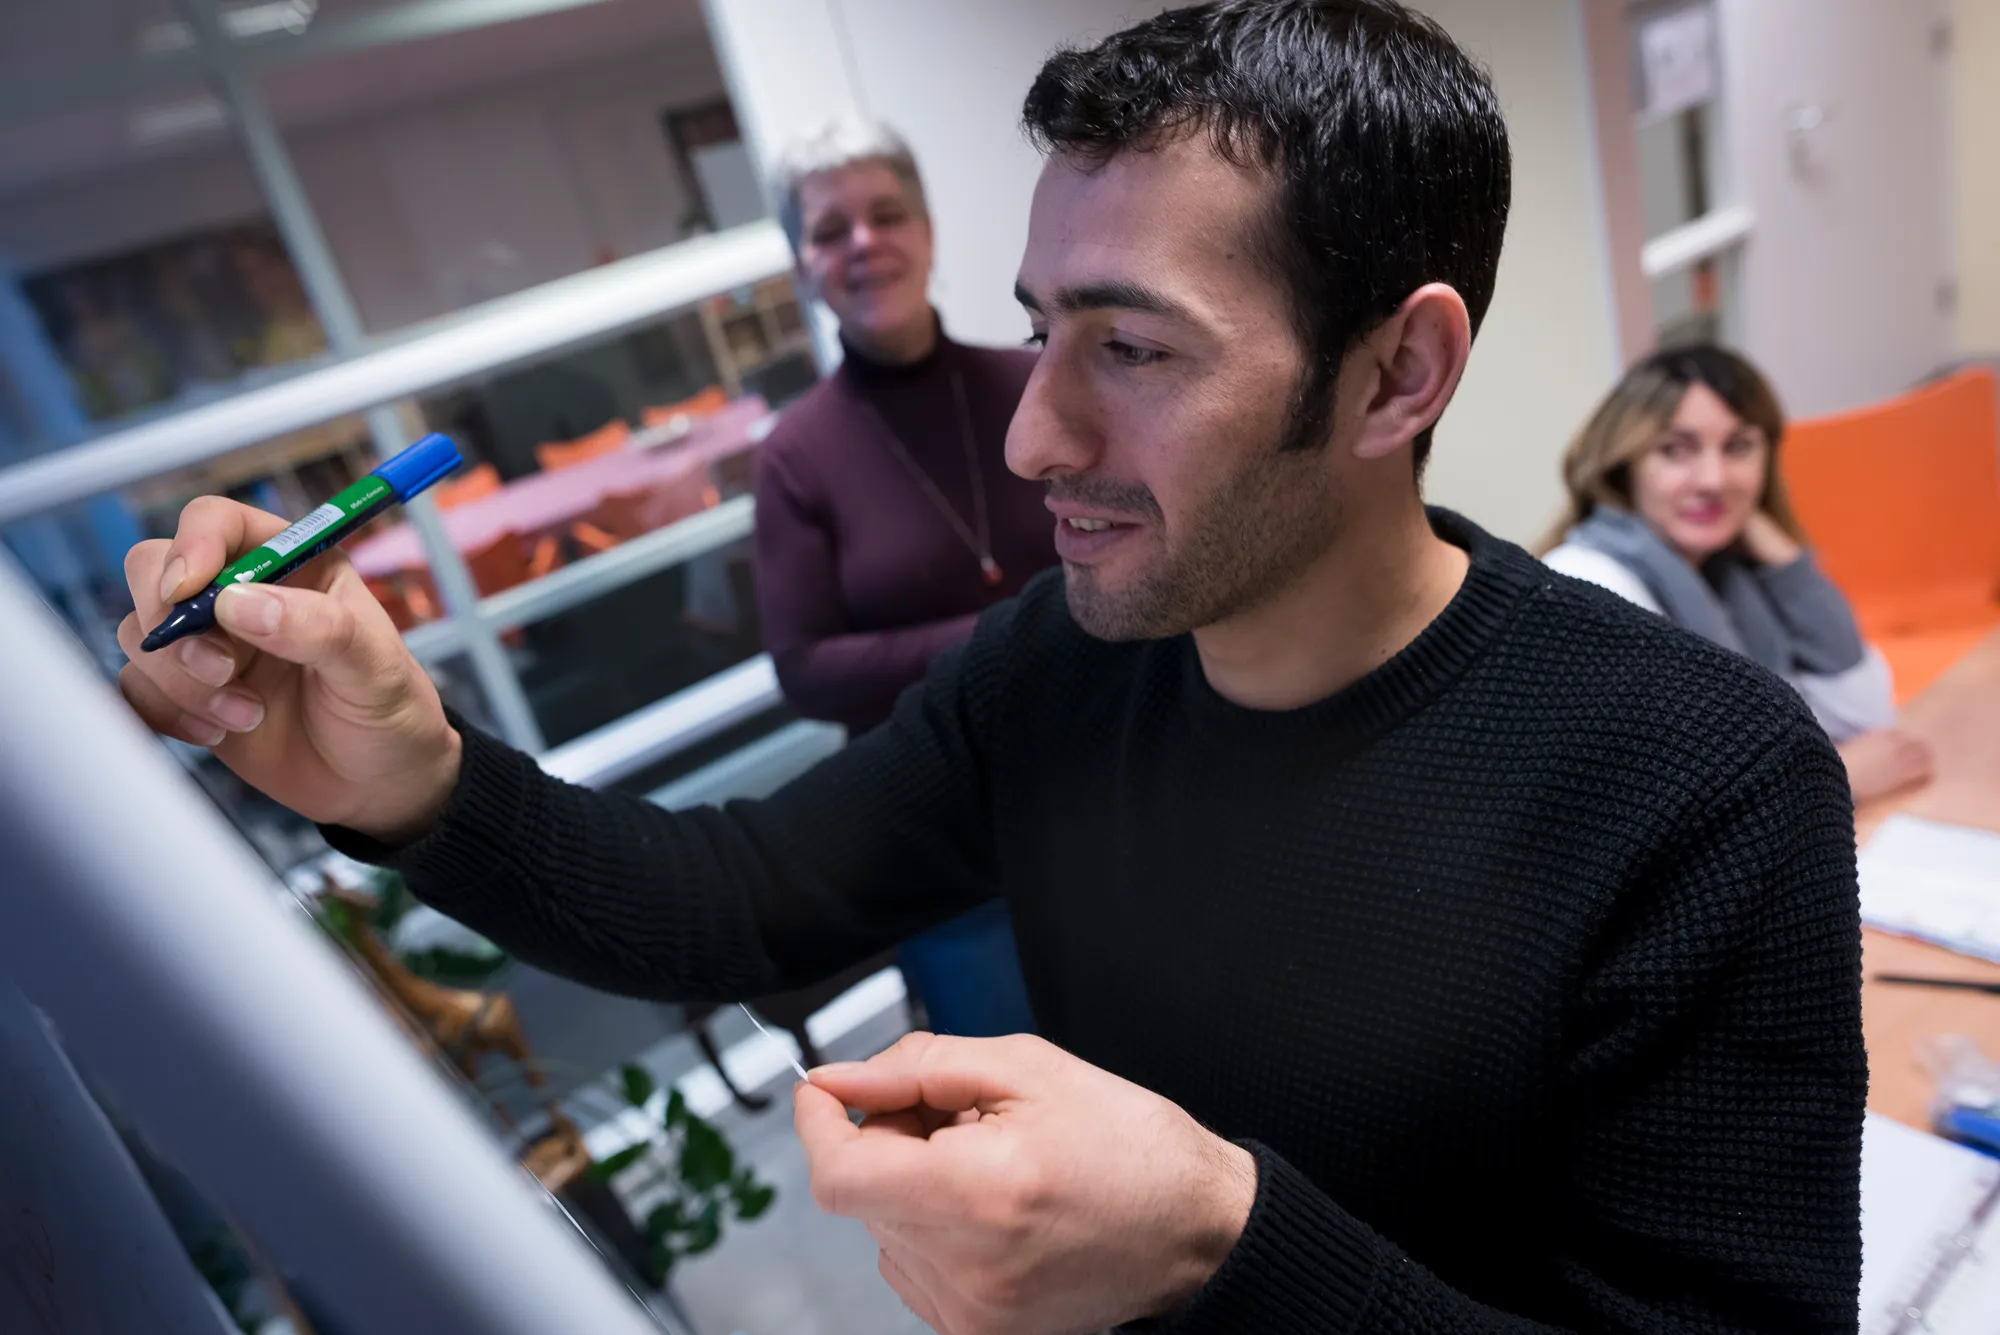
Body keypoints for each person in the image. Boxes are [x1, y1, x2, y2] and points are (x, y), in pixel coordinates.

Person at [116, 3, 1865, 1330]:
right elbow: (731, 898)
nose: (1036, 433)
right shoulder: (1060, 669)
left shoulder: (1698, 788)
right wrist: (414, 779)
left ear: (1398, 376)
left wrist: (1219, 1239)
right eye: (1042, 332)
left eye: (1132, 346)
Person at [753, 118, 1054, 1038]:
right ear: (803, 265)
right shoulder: (795, 455)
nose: (865, 243)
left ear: (927, 230)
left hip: (1115, 774)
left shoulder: (1039, 383)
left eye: (887, 214)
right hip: (940, 836)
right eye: (830, 230)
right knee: (1014, 1103)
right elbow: (805, 668)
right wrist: (1007, 631)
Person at [1541, 344, 1935, 803]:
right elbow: (1655, 812)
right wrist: (1834, 782)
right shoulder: (1590, 588)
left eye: (1738, 447)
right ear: (1625, 465)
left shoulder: (1729, 577)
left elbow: (1867, 718)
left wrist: (1791, 571)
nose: (1713, 479)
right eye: (1675, 450)